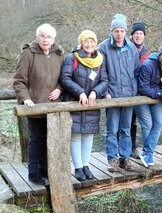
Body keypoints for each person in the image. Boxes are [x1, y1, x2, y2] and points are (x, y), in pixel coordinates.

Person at [13, 23, 64, 185]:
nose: (45, 39)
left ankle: (45, 170)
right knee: (36, 139)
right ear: (37, 37)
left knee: (51, 138)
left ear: (54, 39)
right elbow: (19, 81)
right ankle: (33, 172)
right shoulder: (28, 54)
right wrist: (26, 98)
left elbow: (65, 78)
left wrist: (59, 89)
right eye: (42, 36)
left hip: (54, 106)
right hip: (34, 106)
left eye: (49, 36)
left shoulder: (59, 54)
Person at [60, 30, 108, 181]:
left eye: (92, 41)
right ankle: (78, 168)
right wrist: (80, 92)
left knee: (88, 136)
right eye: (86, 41)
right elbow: (65, 78)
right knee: (75, 136)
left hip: (91, 104)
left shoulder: (100, 59)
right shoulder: (71, 58)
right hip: (75, 102)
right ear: (81, 43)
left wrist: (95, 92)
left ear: (95, 43)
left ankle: (86, 166)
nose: (89, 44)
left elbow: (105, 81)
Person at [98, 14, 140, 172]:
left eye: (122, 31)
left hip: (128, 96)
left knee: (126, 129)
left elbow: (136, 72)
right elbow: (101, 73)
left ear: (125, 31)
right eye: (116, 31)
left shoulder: (132, 49)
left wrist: (134, 91)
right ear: (112, 31)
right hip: (112, 96)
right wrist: (105, 93)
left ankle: (125, 158)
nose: (119, 34)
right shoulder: (103, 48)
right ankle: (112, 159)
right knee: (111, 129)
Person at [137, 43, 162, 167]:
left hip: (156, 98)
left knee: (159, 123)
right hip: (141, 98)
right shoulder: (148, 65)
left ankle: (147, 153)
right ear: (159, 55)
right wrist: (161, 94)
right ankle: (147, 153)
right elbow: (142, 87)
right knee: (147, 124)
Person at [130, 22, 150, 159]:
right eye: (136, 33)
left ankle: (135, 148)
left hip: (142, 92)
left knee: (137, 121)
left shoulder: (146, 52)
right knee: (127, 122)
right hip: (127, 91)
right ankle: (127, 149)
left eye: (141, 33)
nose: (138, 36)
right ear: (131, 35)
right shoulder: (127, 48)